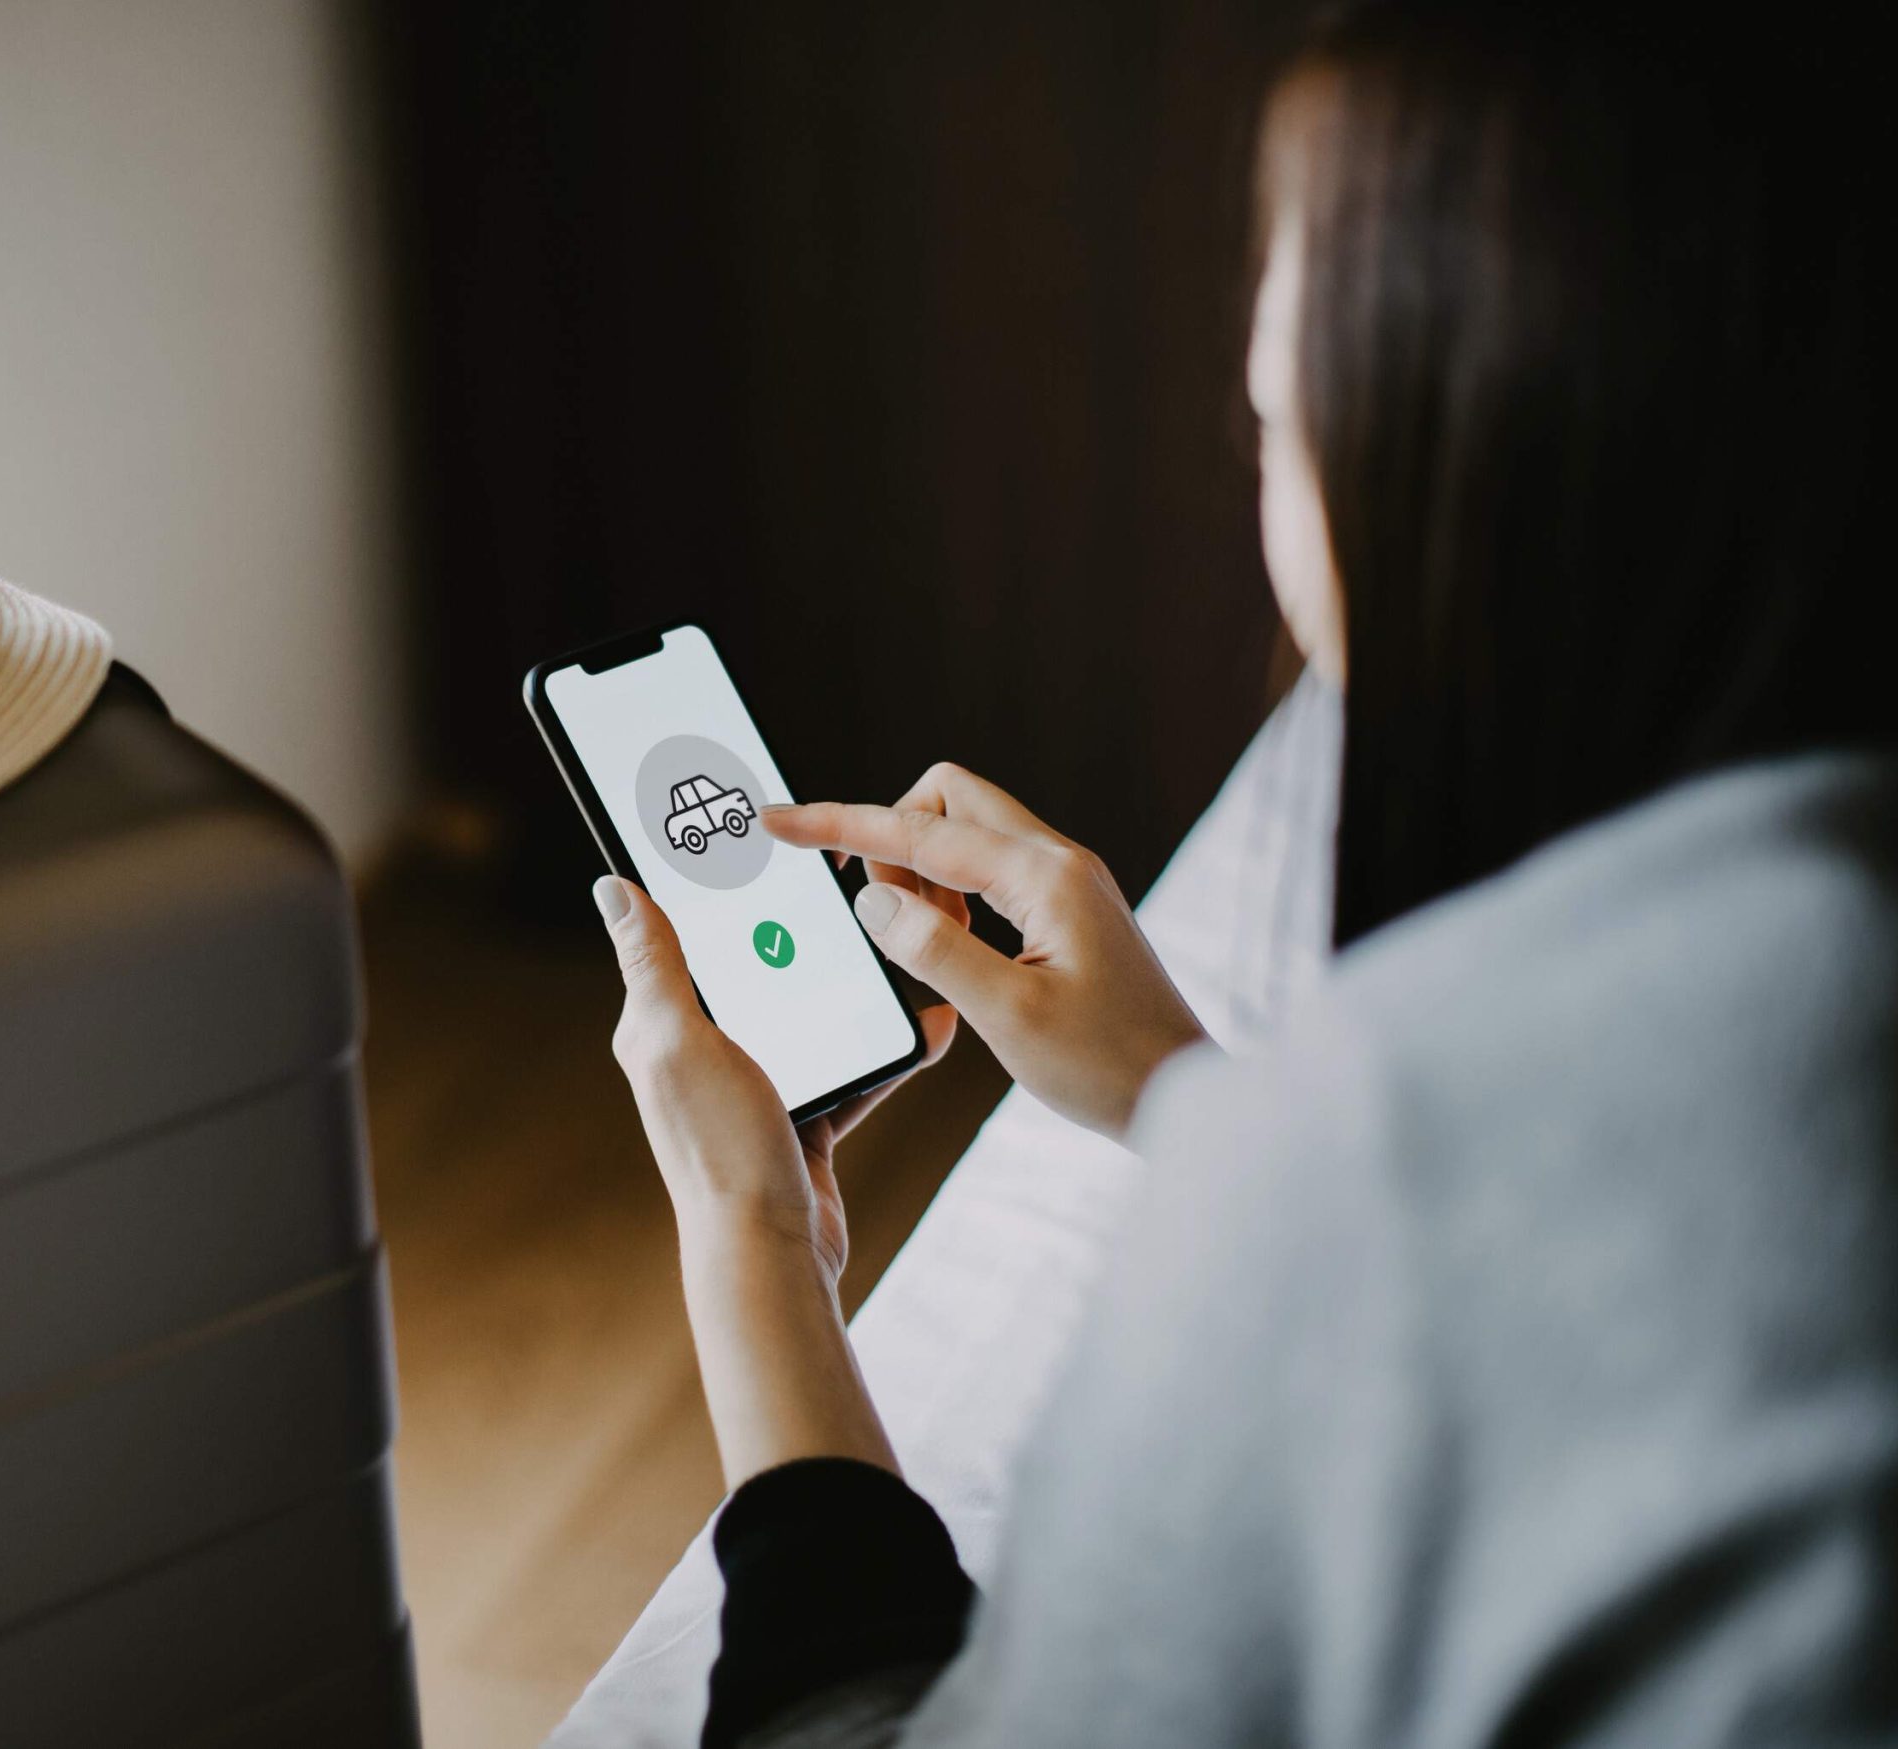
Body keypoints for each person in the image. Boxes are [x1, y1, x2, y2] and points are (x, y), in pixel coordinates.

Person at [587, 3, 1894, 1744]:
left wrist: (753, 1239)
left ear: (1464, 489)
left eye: (1275, 422)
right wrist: (1189, 1095)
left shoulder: (1372, 1170)